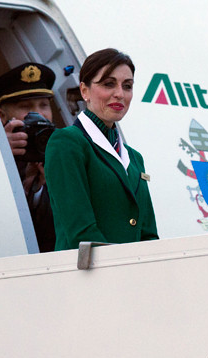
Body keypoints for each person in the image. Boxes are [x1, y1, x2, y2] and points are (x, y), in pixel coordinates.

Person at [45, 48, 158, 251]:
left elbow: (148, 233)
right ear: (84, 90)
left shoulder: (134, 158)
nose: (120, 94)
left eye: (127, 86)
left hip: (132, 275)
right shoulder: (67, 143)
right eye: (108, 84)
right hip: (87, 276)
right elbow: (80, 232)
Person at [0, 62, 57, 252]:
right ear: (1, 116)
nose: (40, 115)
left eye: (44, 105)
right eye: (26, 107)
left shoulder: (65, 155)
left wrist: (46, 184)